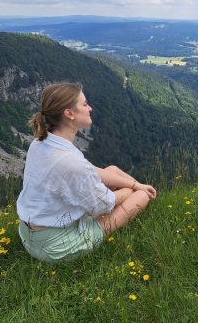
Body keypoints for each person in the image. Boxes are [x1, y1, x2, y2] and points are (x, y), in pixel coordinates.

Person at [16, 82, 157, 263]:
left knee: (113, 171)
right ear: (69, 113)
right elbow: (103, 205)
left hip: (30, 232)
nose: (90, 108)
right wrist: (134, 190)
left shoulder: (41, 143)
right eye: (84, 104)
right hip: (54, 247)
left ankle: (137, 190)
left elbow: (90, 170)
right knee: (139, 197)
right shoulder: (70, 162)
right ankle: (141, 197)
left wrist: (136, 184)